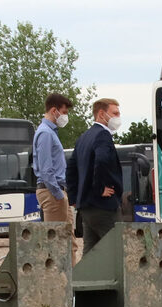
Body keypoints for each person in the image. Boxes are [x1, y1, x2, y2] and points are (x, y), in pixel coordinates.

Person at [71, 98, 125, 255]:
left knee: (90, 251)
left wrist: (75, 197)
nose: (118, 117)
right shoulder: (103, 135)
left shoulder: (83, 137)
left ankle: (84, 280)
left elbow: (72, 168)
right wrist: (99, 188)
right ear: (101, 114)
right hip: (104, 205)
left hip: (86, 206)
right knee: (116, 250)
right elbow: (101, 161)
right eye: (115, 113)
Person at [34, 93, 78, 258]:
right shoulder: (45, 133)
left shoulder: (50, 132)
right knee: (57, 243)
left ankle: (72, 279)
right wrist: (59, 195)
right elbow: (46, 170)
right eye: (64, 112)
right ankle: (59, 281)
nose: (65, 116)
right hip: (53, 191)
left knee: (68, 241)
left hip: (57, 191)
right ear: (54, 111)